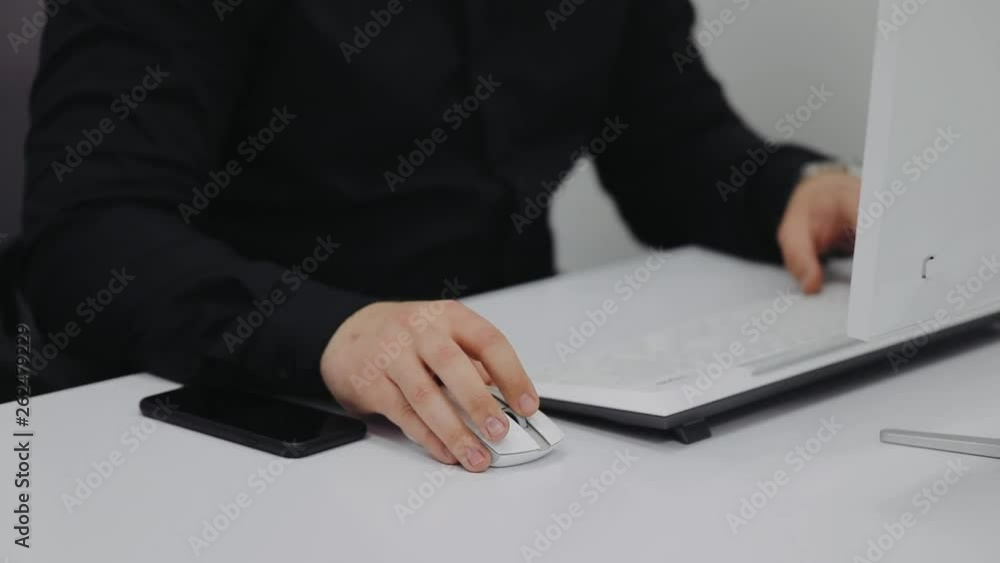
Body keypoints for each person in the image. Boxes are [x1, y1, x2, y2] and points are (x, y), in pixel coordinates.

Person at [19, 0, 860, 472]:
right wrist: (331, 334)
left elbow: (671, 148)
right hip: (214, 430)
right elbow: (88, 234)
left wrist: (798, 189)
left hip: (515, 417)